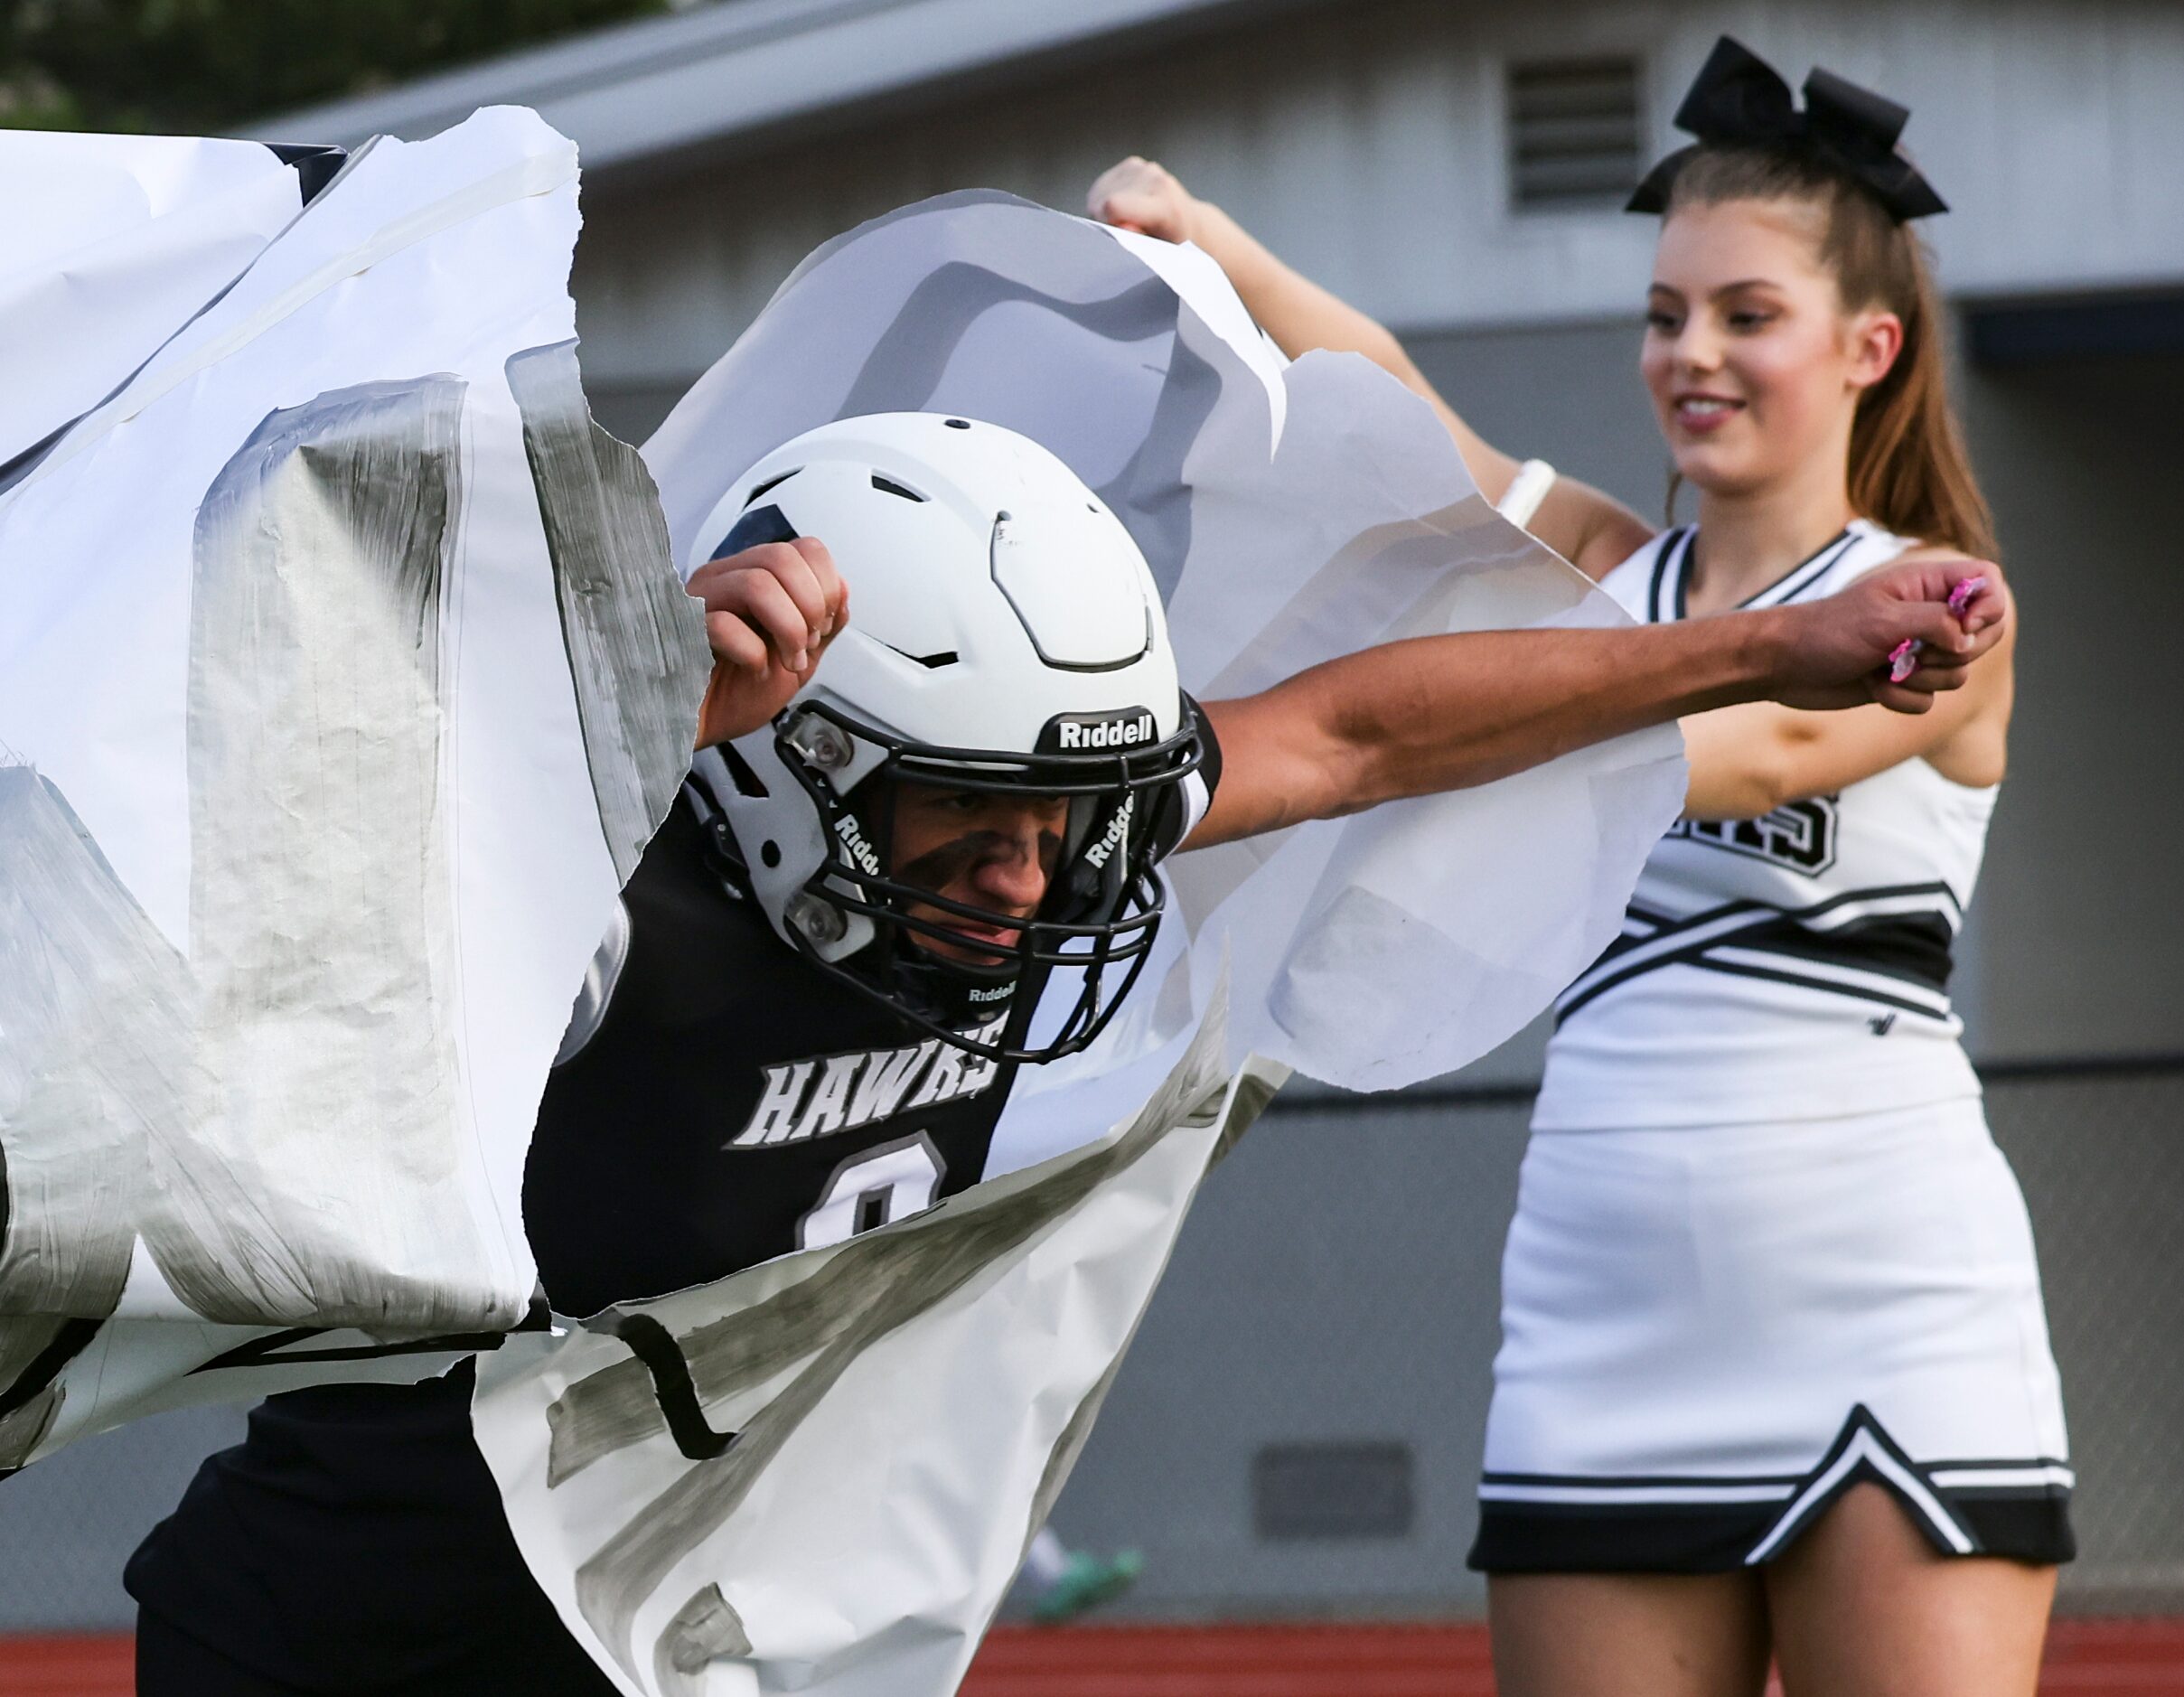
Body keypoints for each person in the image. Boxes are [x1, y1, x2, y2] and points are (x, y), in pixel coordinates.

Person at [128, 408, 2001, 1694]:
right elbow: (254, 873)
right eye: (969, 819)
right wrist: (613, 729)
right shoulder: (581, 878)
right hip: (365, 1626)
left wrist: (1762, 650)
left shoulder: (1026, 838)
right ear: (785, 763)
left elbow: (1356, 735)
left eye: (1066, 819)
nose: (1030, 882)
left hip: (687, 1627)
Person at [1091, 34, 2059, 1697]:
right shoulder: (1612, 571)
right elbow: (1398, 414)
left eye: (1744, 313)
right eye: (1663, 311)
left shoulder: (1936, 603)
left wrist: (1417, 742)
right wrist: (1214, 243)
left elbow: (1740, 749)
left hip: (1888, 1294)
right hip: (1602, 1302)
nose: (1689, 351)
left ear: (1866, 347)